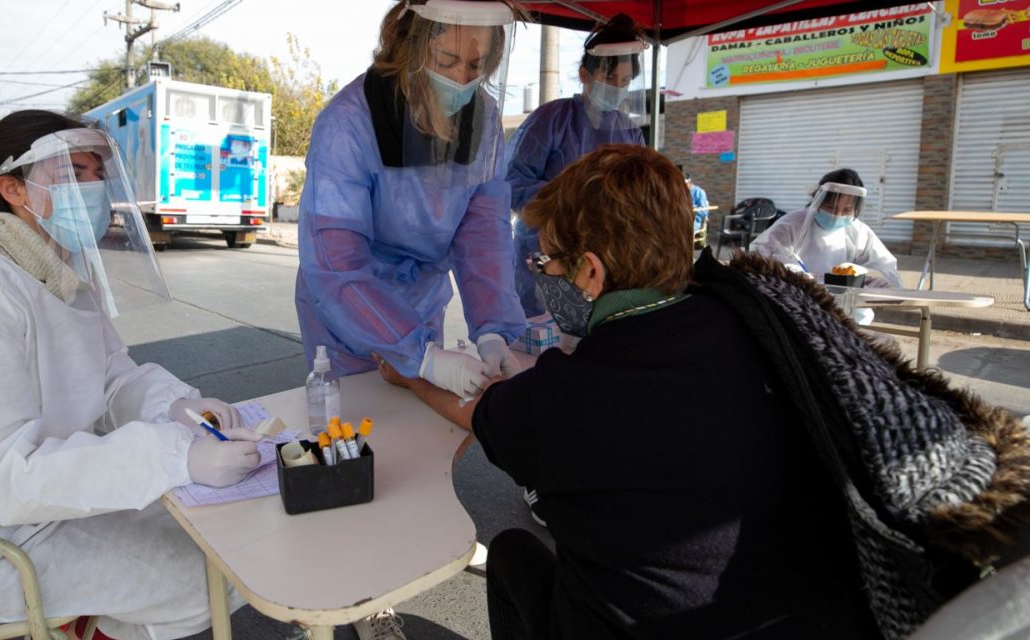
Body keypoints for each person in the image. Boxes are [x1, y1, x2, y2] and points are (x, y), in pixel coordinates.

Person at [376, 144, 1030, 639]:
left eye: (547, 262)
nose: (543, 277)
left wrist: (407, 367)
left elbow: (471, 405)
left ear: (592, 272)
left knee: (516, 552)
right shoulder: (760, 321)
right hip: (823, 621)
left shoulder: (561, 399)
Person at [0, 110, 263, 640]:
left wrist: (178, 408)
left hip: (48, 503)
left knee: (225, 535)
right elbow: (6, 474)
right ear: (12, 188)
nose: (93, 187)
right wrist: (176, 456)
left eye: (97, 172)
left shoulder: (56, 273)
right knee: (206, 575)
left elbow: (112, 376)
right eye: (73, 173)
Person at [295, 0, 527, 403]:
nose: (461, 78)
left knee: (422, 423)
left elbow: (483, 232)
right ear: (412, 49)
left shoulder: (484, 118)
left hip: (421, 305)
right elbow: (336, 261)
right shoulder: (348, 123)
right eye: (447, 60)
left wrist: (492, 328)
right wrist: (422, 358)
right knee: (360, 425)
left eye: (475, 66)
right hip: (347, 306)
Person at [506, 14, 647, 318]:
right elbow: (510, 183)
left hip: (604, 261)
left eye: (625, 82)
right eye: (610, 79)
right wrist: (569, 199)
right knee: (542, 335)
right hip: (546, 256)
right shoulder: (552, 120)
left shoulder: (630, 132)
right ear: (585, 74)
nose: (618, 89)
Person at [750, 168, 902, 324]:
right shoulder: (791, 225)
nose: (838, 215)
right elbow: (762, 257)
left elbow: (887, 270)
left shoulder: (858, 231)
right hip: (796, 305)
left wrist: (862, 275)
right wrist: (800, 277)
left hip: (845, 311)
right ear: (817, 201)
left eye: (847, 210)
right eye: (831, 208)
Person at [681, 166, 710, 249]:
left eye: (683, 185)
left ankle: (687, 254)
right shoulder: (680, 192)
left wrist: (693, 208)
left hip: (693, 221)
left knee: (683, 230)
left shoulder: (699, 192)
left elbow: (705, 212)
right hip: (680, 218)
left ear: (689, 183)